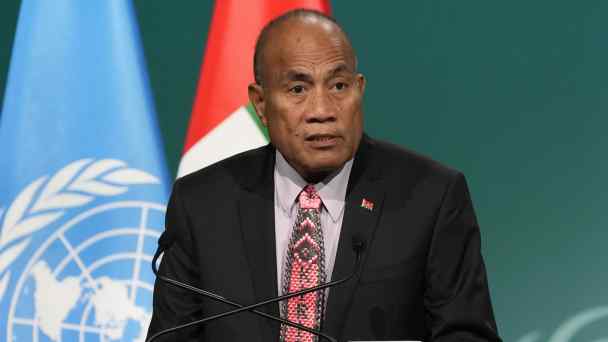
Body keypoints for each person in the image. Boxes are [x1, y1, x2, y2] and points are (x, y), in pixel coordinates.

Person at [147, 9, 501, 342]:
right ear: (260, 103)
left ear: (359, 89)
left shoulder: (430, 197)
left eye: (338, 86)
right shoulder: (202, 205)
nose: (322, 111)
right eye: (297, 89)